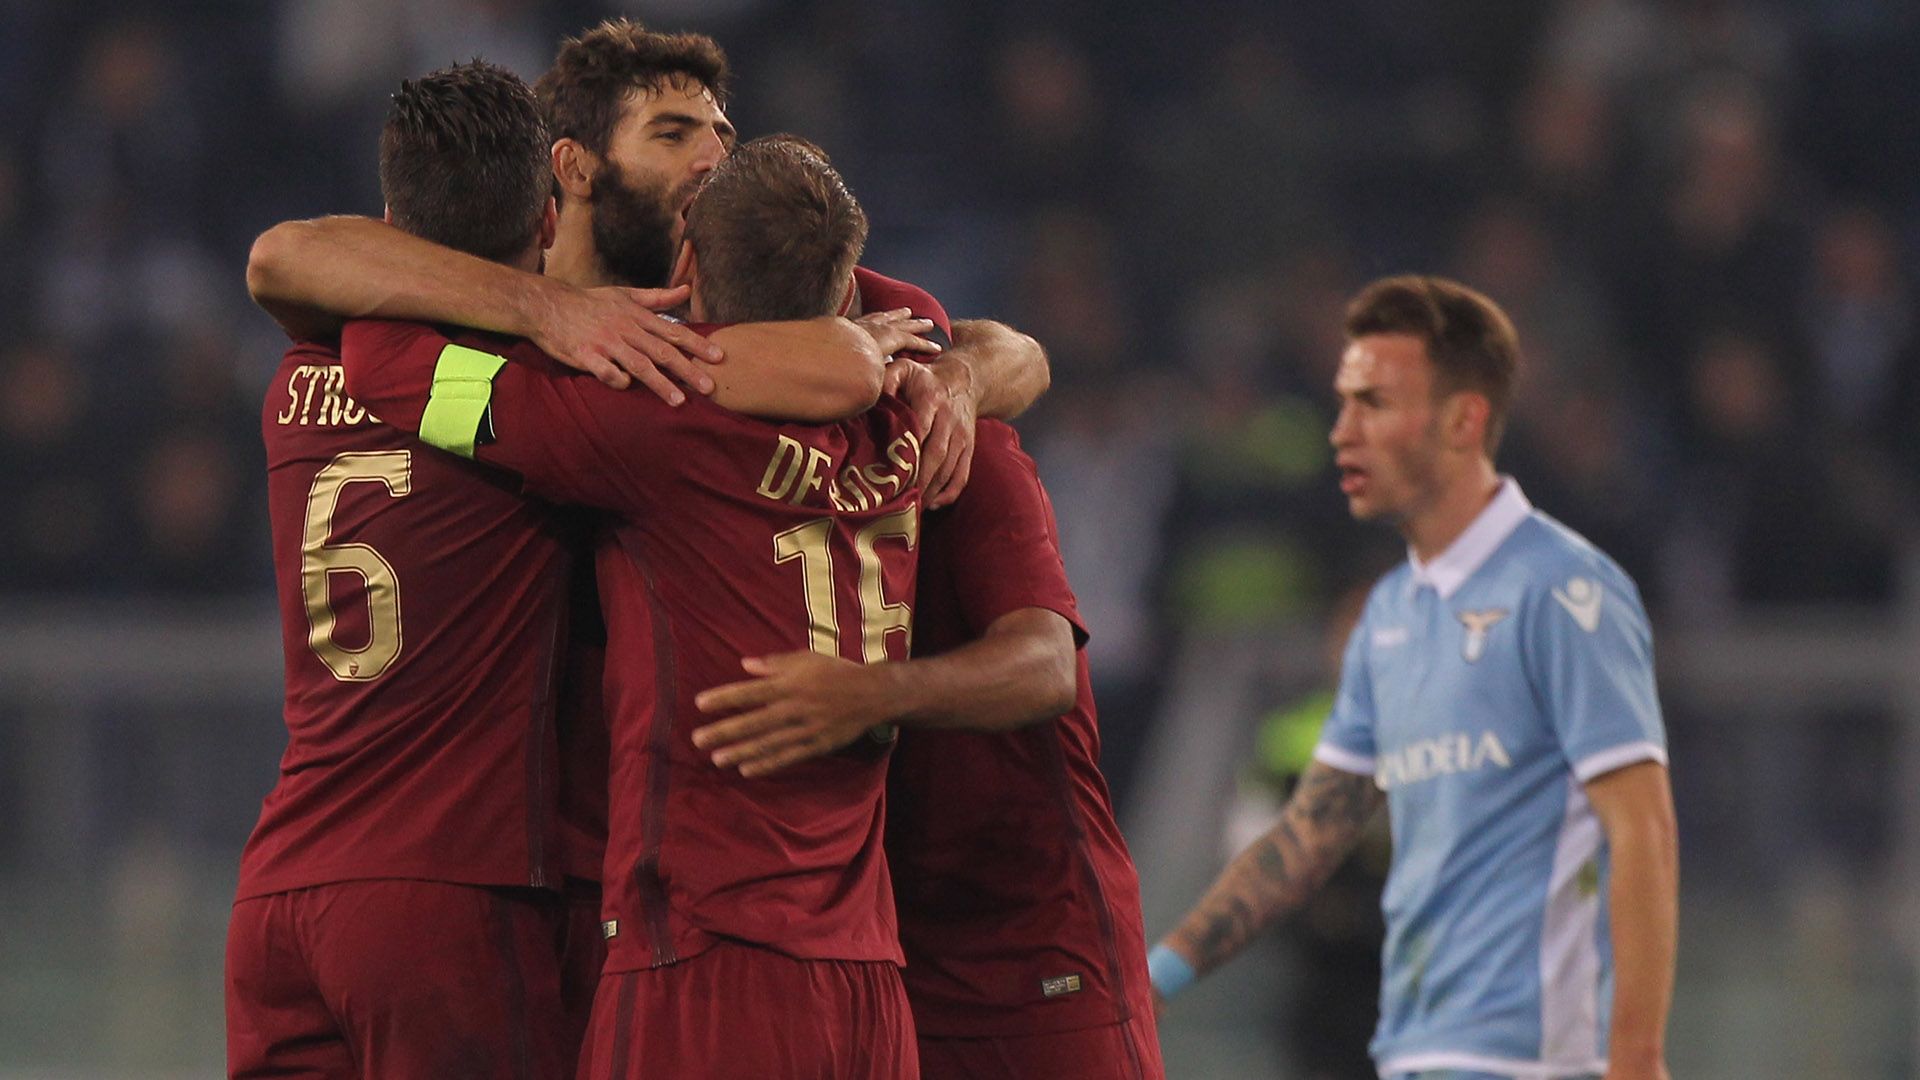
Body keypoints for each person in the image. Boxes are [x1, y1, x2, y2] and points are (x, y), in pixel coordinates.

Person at [225, 62, 897, 1080]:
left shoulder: (310, 360)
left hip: (281, 885)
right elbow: (822, 369)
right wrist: (883, 363)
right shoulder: (559, 386)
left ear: (394, 219)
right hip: (453, 890)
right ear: (550, 212)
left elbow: (288, 259)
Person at [1149, 276, 1679, 1080]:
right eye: (1344, 403)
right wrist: (1156, 975)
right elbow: (1307, 837)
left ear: (1463, 421)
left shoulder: (1564, 592)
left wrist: (1637, 1056)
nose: (1343, 432)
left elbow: (1644, 832)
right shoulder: (1390, 617)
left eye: (1376, 405)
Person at [245, 17, 1042, 505]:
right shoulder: (490, 318)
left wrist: (962, 376)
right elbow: (283, 256)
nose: (714, 159)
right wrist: (546, 309)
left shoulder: (770, 287)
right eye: (672, 134)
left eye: (723, 135)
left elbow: (1016, 354)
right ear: (574, 166)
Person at [690, 347, 1165, 1076]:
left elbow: (1046, 669)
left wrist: (869, 695)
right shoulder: (728, 465)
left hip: (1032, 942)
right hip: (882, 949)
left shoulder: (958, 453)